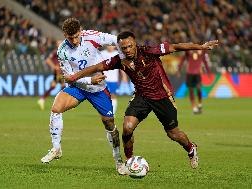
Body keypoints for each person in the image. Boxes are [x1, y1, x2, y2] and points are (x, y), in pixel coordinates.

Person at [66, 31, 219, 169]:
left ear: (135, 44)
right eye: (124, 48)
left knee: (173, 134)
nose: (127, 50)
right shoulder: (120, 60)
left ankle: (191, 148)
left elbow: (175, 47)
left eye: (130, 46)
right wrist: (75, 76)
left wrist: (201, 46)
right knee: (127, 128)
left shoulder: (149, 51)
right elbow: (96, 66)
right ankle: (129, 161)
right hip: (142, 97)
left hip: (162, 97)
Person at [40, 18, 126, 175]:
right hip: (78, 87)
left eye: (76, 36)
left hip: (98, 89)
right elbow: (68, 77)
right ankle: (56, 147)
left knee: (109, 125)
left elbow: (116, 39)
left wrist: (123, 57)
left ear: (80, 30)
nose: (73, 40)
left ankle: (118, 160)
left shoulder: (92, 36)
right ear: (65, 35)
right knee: (56, 108)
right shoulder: (62, 50)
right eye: (69, 37)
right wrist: (89, 79)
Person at [38, 42, 65, 110]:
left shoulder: (62, 51)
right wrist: (54, 67)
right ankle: (62, 102)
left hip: (60, 71)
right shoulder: (56, 52)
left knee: (54, 86)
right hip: (58, 72)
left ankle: (42, 99)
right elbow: (47, 60)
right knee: (63, 86)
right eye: (59, 44)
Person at [99, 46, 119, 114]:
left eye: (112, 45)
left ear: (114, 46)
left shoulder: (117, 54)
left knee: (113, 95)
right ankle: (106, 111)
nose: (110, 47)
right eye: (109, 45)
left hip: (114, 79)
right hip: (104, 78)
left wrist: (124, 76)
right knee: (104, 95)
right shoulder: (102, 53)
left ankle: (113, 112)